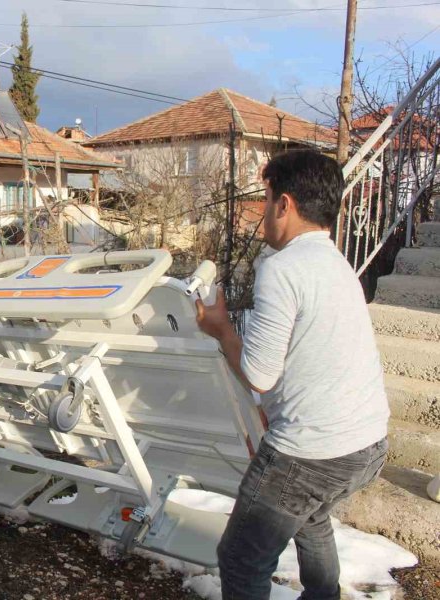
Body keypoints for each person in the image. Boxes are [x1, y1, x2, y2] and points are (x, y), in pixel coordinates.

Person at [195, 149, 390, 600]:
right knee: (311, 514)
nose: (263, 213)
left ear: (284, 205)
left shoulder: (281, 268)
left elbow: (259, 375)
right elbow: (314, 357)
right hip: (367, 444)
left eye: (265, 200)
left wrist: (221, 329)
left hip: (310, 454)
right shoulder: (336, 264)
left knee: (241, 559)